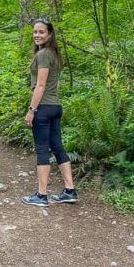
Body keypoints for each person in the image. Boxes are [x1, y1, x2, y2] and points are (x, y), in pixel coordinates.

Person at [21, 18, 78, 207]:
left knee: (42, 149)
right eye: (35, 32)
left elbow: (41, 85)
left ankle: (42, 195)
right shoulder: (53, 53)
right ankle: (69, 190)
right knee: (58, 147)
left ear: (50, 34)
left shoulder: (44, 54)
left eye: (41, 32)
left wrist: (31, 110)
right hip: (55, 107)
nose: (37, 35)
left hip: (43, 108)